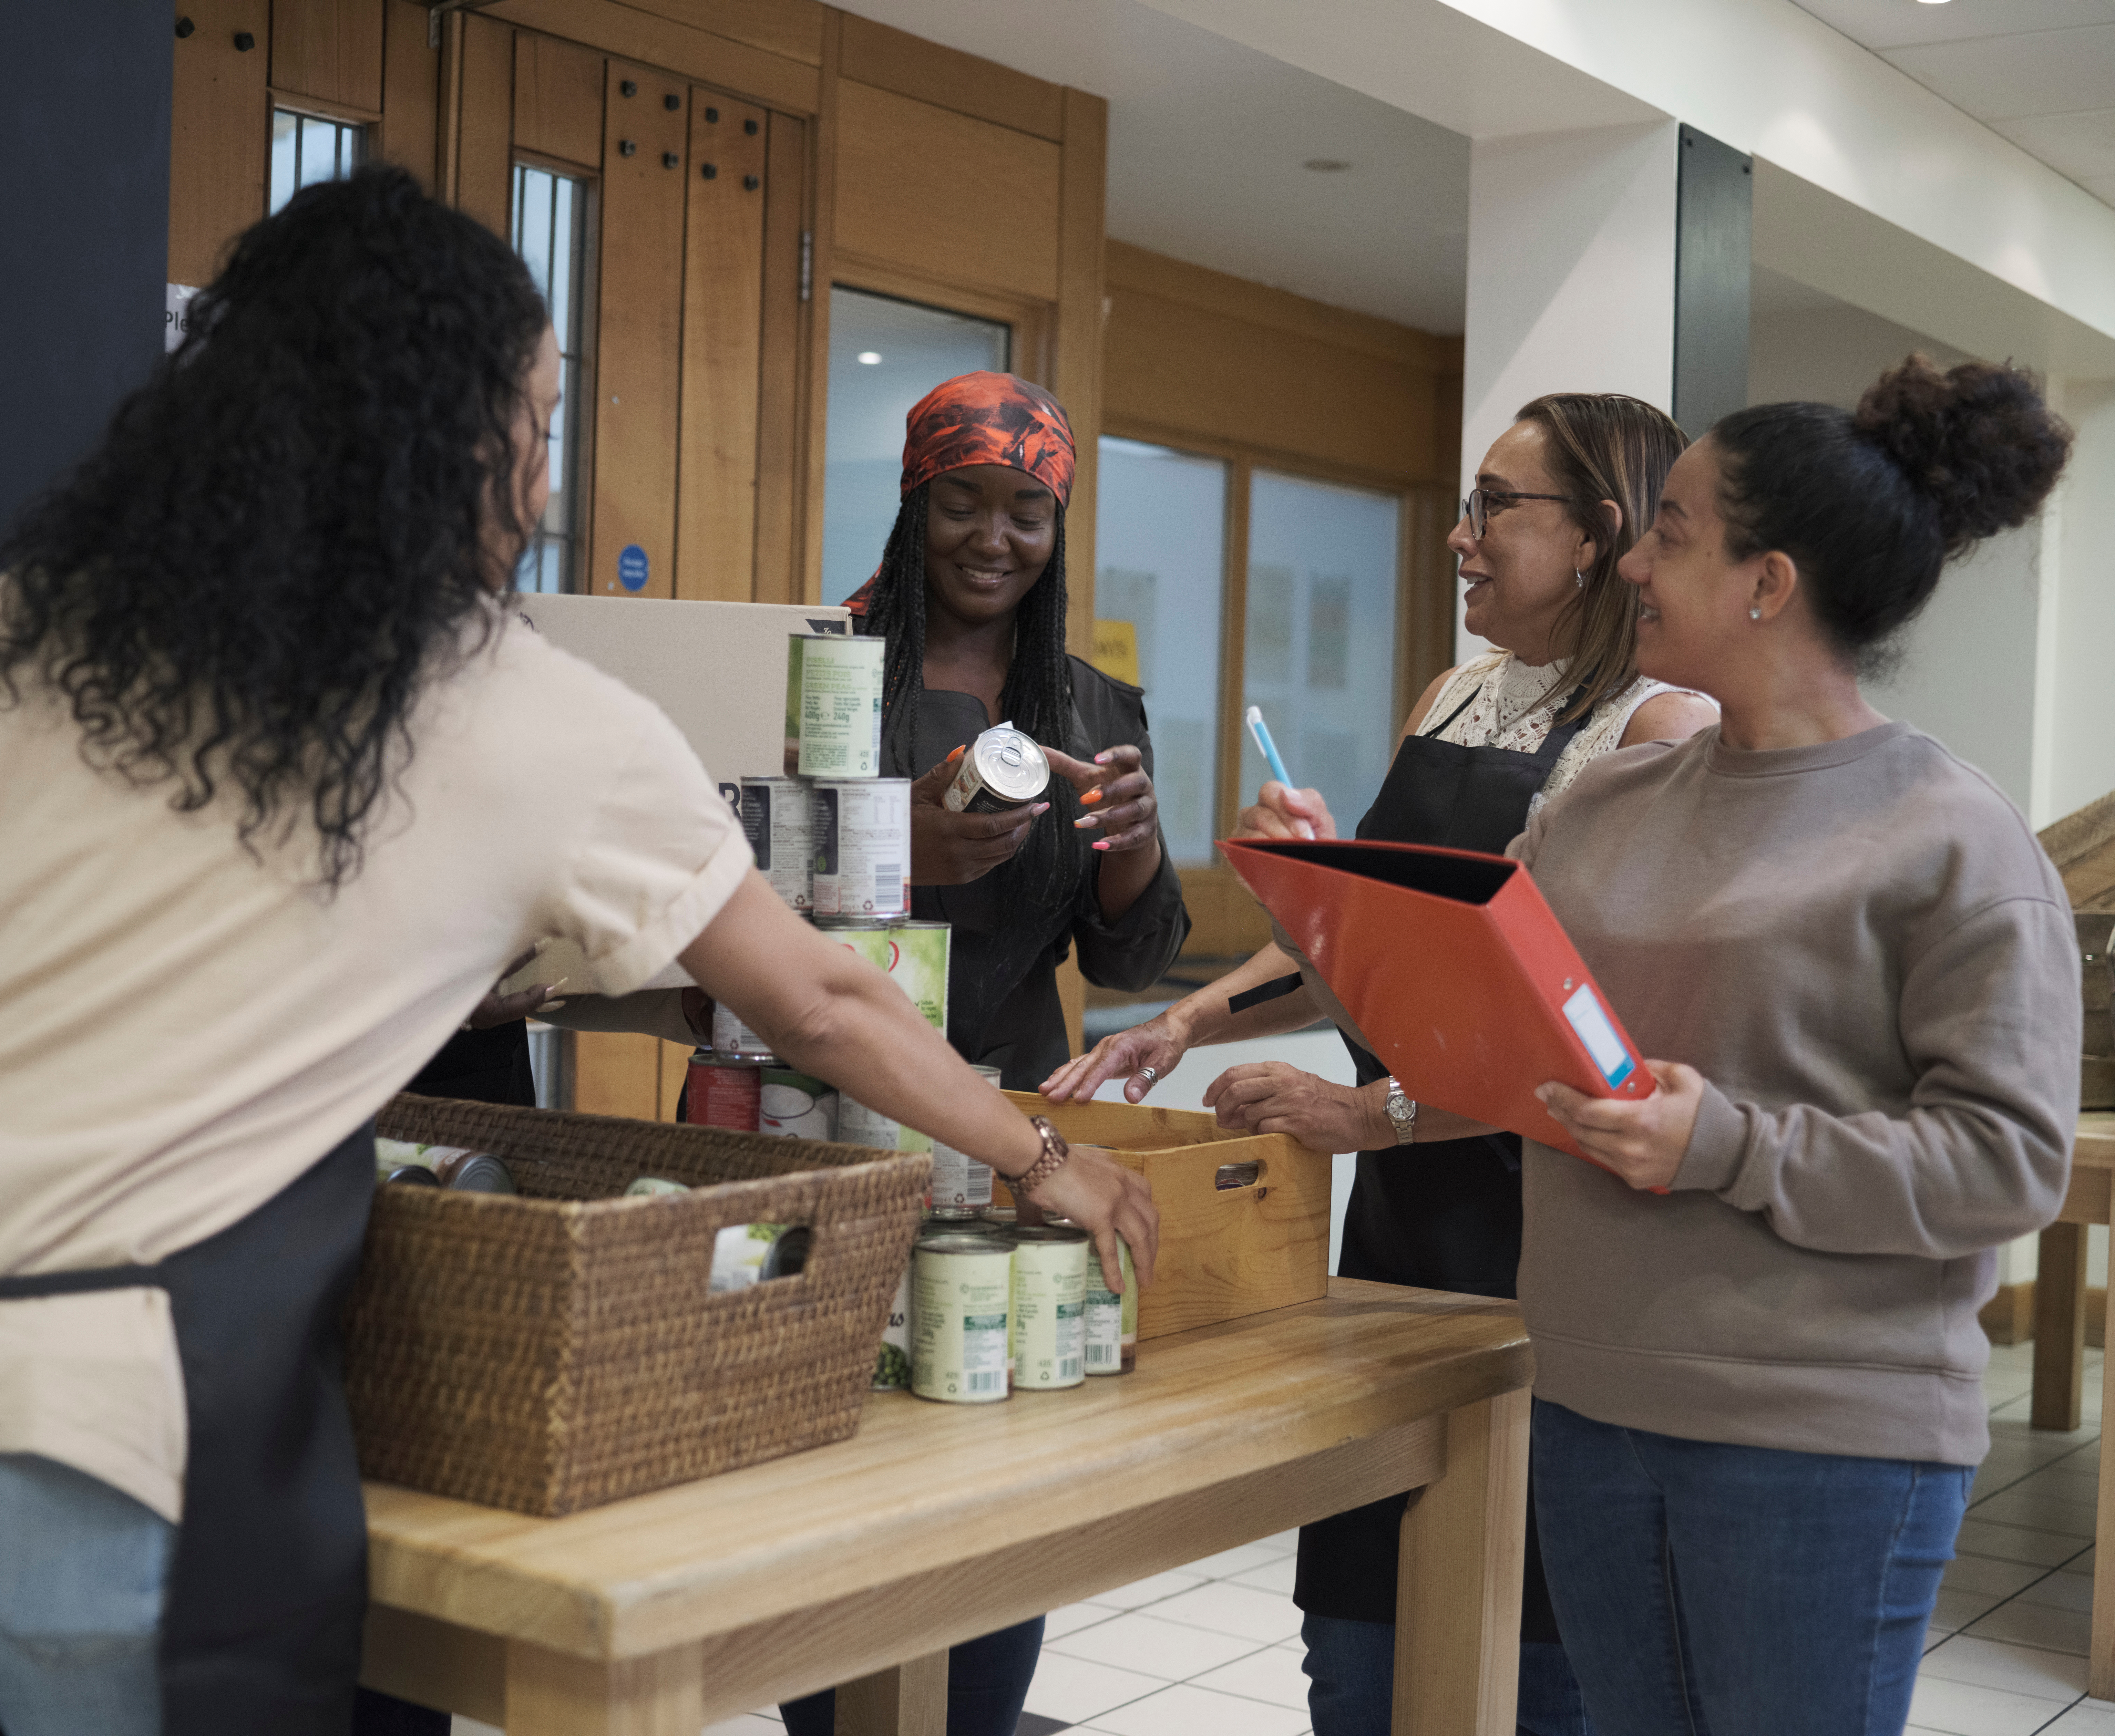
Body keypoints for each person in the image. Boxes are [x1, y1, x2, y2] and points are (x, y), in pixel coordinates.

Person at [0, 166, 1155, 1736]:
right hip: (119, 1433)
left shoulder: (38, 618)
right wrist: (1040, 1152)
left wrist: (23, 1098)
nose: (541, 463)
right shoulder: (521, 709)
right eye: (541, 418)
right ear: (470, 436)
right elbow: (827, 997)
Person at [1045, 393, 1718, 1736]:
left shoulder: (1663, 730)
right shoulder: (1455, 692)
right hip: (1402, 1235)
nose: (1460, 538)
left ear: (1594, 535)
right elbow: (1382, 950)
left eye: (1492, 508)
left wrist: (1374, 1109)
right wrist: (1193, 1018)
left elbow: (1608, 1042)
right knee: (1356, 1639)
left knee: (1522, 1657)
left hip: (1553, 1245)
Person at [1517, 357, 2077, 1734]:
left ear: (1768, 586)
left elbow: (2008, 1165)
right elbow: (1512, 1011)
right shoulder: (1604, 807)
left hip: (1820, 1439)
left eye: (1674, 532)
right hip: (1589, 1394)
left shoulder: (1952, 836)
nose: (1634, 559)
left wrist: (1726, 1144)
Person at [777, 375, 1191, 1736]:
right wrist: (897, 844)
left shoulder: (1087, 704)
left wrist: (1131, 851)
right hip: (813, 1130)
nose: (994, 537)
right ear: (914, 499)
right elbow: (727, 902)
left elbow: (1130, 964)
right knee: (816, 1494)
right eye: (962, 500)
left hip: (1009, 1150)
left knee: (997, 1481)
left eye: (1030, 511)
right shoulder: (824, 668)